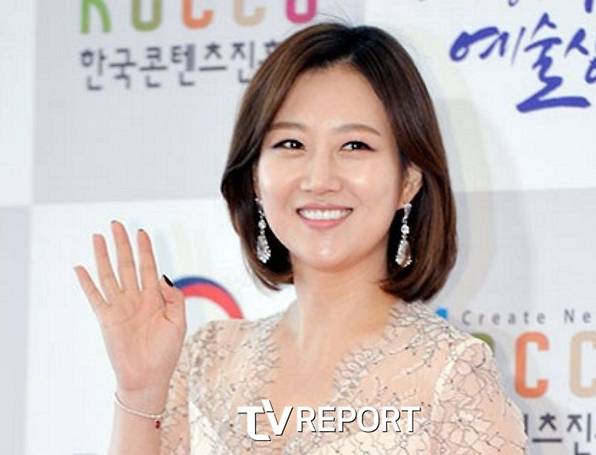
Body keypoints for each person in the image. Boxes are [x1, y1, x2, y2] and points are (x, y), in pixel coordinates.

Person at [73, 21, 528, 454]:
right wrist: (140, 390)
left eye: (355, 146)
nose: (319, 179)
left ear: (408, 180)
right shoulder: (207, 358)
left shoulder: (451, 373)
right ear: (255, 176)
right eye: (291, 144)